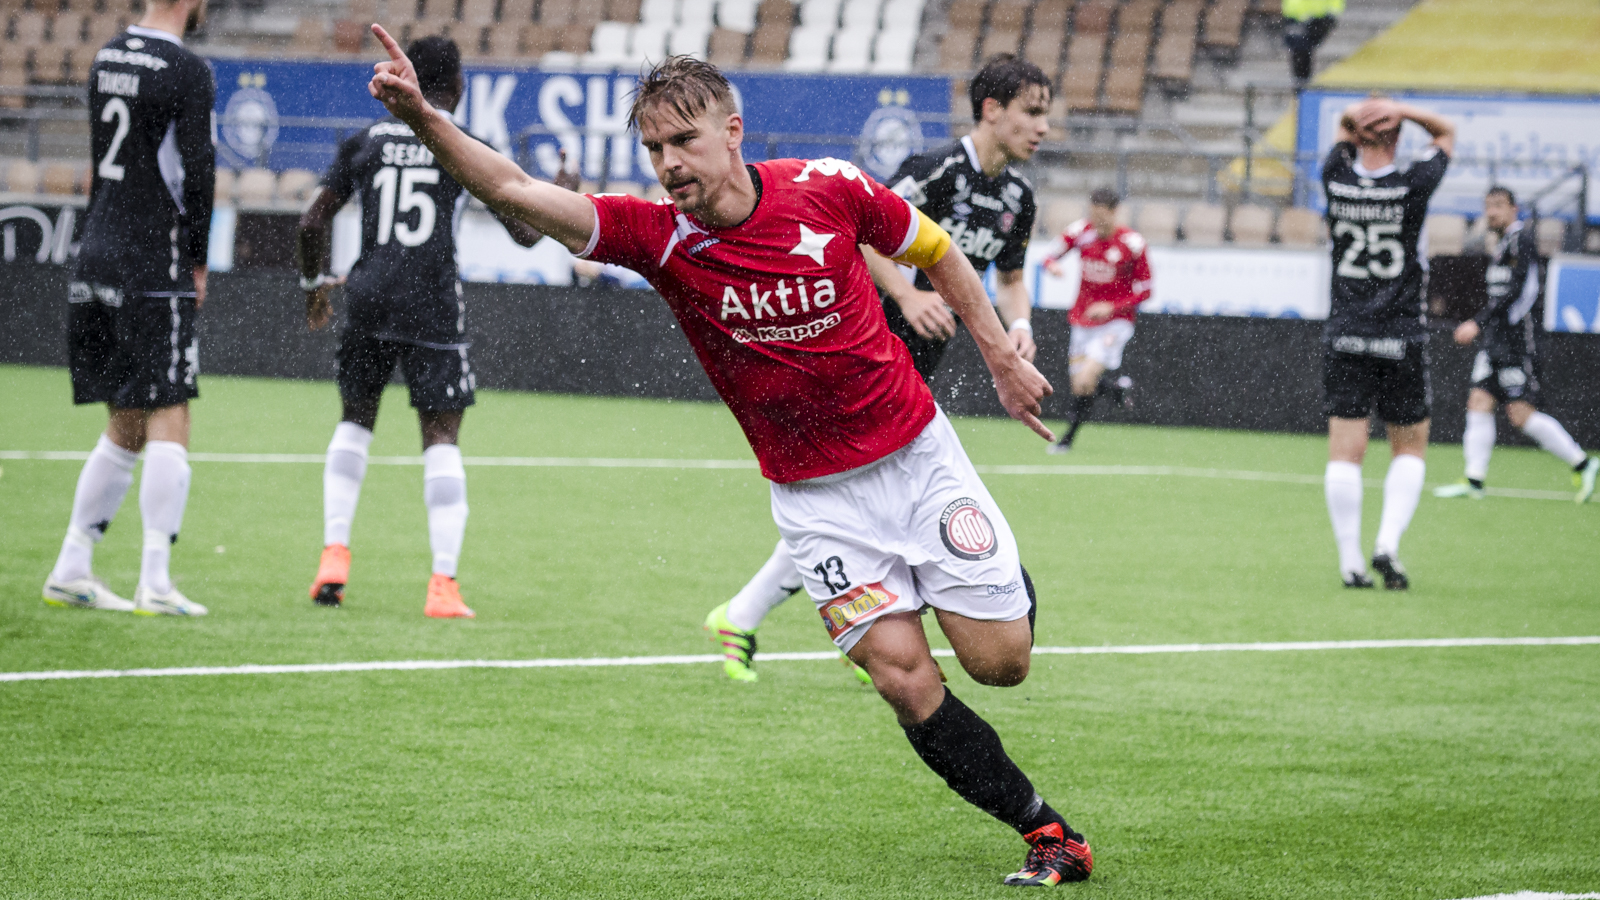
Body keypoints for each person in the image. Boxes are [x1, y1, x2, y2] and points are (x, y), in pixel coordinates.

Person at [366, 32, 1092, 885]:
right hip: (816, 504)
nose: (669, 163)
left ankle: (993, 580)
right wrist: (423, 117)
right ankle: (1047, 833)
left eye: (684, 141)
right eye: (653, 148)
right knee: (902, 678)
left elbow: (933, 251)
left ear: (734, 131)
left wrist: (1002, 358)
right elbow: (513, 187)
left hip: (918, 461)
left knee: (1000, 665)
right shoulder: (655, 237)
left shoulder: (830, 189)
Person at [704, 53, 1049, 685]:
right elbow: (860, 233)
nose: (1043, 127)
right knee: (849, 501)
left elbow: (1012, 275)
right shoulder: (934, 172)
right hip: (859, 354)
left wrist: (1018, 327)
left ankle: (764, 616)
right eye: (1032, 111)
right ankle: (779, 618)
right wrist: (911, 294)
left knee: (857, 507)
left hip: (913, 369)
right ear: (991, 111)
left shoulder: (1018, 197)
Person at [297, 36, 565, 618]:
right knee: (440, 440)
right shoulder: (460, 146)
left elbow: (312, 219)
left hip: (367, 300)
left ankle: (334, 555)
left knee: (354, 423)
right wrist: (560, 195)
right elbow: (523, 233)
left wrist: (313, 286)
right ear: (459, 84)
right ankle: (442, 585)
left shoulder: (365, 142)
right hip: (432, 306)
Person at [42, 0, 214, 616]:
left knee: (127, 423)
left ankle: (71, 565)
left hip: (98, 253)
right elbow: (198, 174)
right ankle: (156, 581)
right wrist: (196, 259)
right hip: (152, 261)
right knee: (171, 411)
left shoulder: (106, 55)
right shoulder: (186, 68)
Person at [1319, 96, 1454, 590]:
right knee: (1410, 446)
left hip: (1346, 330)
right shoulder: (1413, 183)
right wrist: (1404, 108)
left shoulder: (1335, 175)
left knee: (1345, 452)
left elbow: (1342, 129)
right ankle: (1387, 544)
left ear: (1355, 137)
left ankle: (1351, 561)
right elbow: (1446, 134)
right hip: (1401, 333)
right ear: (1397, 137)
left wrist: (1365, 116)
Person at [1435, 187, 1599, 502]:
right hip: (1496, 341)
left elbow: (1516, 293)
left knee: (1520, 414)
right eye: (1487, 206)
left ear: (1515, 209)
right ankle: (1474, 480)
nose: (1491, 212)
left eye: (1498, 206)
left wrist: (1477, 322)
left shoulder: (1522, 240)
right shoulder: (1501, 244)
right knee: (1479, 402)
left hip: (1516, 341)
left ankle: (1583, 463)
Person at [1040, 188, 1151, 454]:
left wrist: (1111, 307)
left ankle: (1066, 441)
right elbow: (1049, 255)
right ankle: (1115, 390)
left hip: (1116, 323)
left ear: (1115, 213)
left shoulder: (1133, 244)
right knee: (1080, 385)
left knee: (1087, 376)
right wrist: (1052, 266)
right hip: (1081, 319)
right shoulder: (1080, 232)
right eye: (1093, 214)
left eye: (1102, 216)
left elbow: (1146, 289)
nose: (1097, 221)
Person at [1282, 0, 1343, 88]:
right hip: (1295, 17)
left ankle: (1303, 86)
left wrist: (1331, 14)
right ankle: (1301, 86)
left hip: (1317, 17)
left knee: (1303, 54)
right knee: (1299, 55)